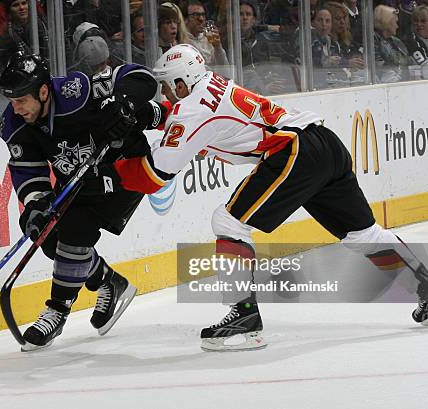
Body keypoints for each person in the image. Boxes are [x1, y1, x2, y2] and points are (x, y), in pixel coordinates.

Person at [89, 44, 428, 351]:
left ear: (181, 82)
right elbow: (191, 118)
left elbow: (155, 174)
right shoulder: (211, 84)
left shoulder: (190, 109)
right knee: (363, 235)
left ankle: (245, 318)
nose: (164, 91)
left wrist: (110, 171)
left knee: (227, 222)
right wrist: (150, 116)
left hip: (294, 152)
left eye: (167, 85)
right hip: (324, 142)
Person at [0, 53, 168, 351]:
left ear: (44, 91)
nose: (17, 108)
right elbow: (28, 169)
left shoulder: (77, 92)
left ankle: (58, 309)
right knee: (47, 236)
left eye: (21, 100)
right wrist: (35, 205)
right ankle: (108, 281)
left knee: (76, 226)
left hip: (124, 169)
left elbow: (139, 76)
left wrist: (123, 103)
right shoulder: (16, 123)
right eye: (12, 101)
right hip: (79, 181)